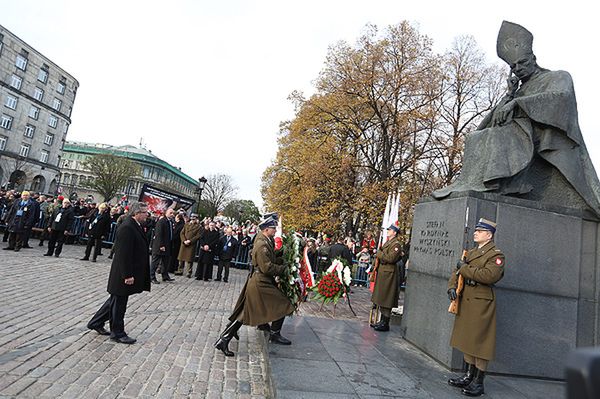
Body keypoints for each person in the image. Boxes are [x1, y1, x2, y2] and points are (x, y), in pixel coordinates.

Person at [433, 21, 600, 216]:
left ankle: (505, 183)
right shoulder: (518, 90)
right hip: (517, 135)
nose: (519, 68)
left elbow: (561, 99)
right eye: (514, 66)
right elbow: (494, 120)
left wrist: (518, 104)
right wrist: (510, 95)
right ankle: (483, 183)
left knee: (502, 135)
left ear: (533, 58)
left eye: (523, 63)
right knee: (477, 137)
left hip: (545, 137)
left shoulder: (558, 76)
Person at [214, 215, 294, 357]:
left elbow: (269, 257)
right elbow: (267, 267)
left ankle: (224, 339)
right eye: (273, 229)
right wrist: (284, 269)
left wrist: (282, 254)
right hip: (260, 282)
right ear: (266, 229)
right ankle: (274, 334)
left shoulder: (264, 239)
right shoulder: (262, 243)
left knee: (246, 312)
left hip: (259, 281)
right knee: (283, 304)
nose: (275, 231)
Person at [447, 218, 505, 397]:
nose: (475, 233)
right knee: (467, 340)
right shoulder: (471, 252)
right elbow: (456, 272)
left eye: (480, 231)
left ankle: (479, 382)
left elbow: (488, 276)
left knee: (480, 343)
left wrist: (464, 269)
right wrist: (451, 286)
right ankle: (468, 376)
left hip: (481, 302)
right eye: (476, 230)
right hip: (467, 299)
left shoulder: (496, 255)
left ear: (489, 235)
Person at [86, 201, 151, 344]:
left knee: (114, 300)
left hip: (126, 272)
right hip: (123, 274)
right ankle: (117, 333)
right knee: (119, 304)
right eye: (145, 212)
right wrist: (127, 275)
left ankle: (96, 322)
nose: (147, 215)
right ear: (136, 213)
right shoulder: (127, 227)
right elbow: (123, 254)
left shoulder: (136, 225)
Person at [370, 224, 403, 332]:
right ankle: (382, 321)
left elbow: (391, 258)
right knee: (382, 298)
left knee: (386, 299)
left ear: (394, 232)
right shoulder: (389, 242)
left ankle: (385, 322)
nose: (388, 231)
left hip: (389, 275)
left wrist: (379, 254)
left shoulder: (396, 244)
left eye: (390, 230)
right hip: (384, 274)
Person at [150, 209, 175, 284]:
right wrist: (161, 245)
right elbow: (159, 234)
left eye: (173, 213)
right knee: (155, 262)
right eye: (170, 213)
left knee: (165, 262)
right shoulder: (161, 221)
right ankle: (152, 277)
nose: (172, 214)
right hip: (160, 246)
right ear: (166, 213)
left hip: (168, 245)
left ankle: (165, 276)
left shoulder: (170, 222)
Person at [177, 213, 202, 277]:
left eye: (194, 218)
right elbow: (182, 233)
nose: (193, 219)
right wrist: (184, 240)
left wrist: (190, 241)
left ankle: (189, 272)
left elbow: (198, 236)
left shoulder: (198, 227)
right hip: (184, 243)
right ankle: (180, 270)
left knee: (189, 259)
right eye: (192, 218)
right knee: (181, 258)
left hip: (191, 244)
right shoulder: (186, 224)